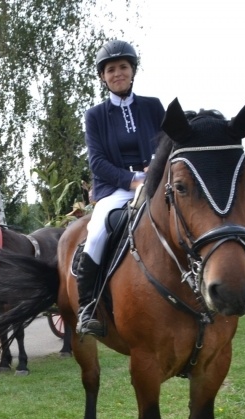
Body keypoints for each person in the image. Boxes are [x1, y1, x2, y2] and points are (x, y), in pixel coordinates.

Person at [76, 39, 166, 336]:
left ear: (132, 71)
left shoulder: (153, 107)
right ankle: (87, 306)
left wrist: (153, 171)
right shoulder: (95, 116)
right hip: (116, 190)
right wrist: (133, 179)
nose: (118, 73)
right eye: (111, 69)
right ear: (103, 76)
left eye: (123, 67)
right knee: (97, 232)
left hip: (155, 184)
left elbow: (168, 145)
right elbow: (97, 162)